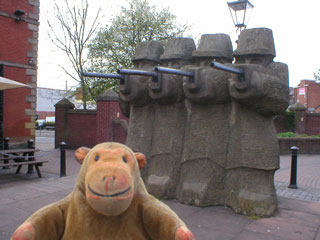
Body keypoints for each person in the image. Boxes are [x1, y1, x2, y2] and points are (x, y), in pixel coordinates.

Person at [225, 28, 289, 216]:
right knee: (236, 169)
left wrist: (259, 82)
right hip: (236, 131)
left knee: (259, 165)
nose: (245, 65)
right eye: (241, 60)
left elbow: (280, 101)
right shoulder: (232, 72)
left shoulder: (278, 69)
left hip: (261, 132)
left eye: (255, 60)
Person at [177, 33, 233, 206]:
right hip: (194, 133)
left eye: (210, 63)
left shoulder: (228, 76)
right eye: (198, 63)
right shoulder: (189, 77)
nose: (201, 68)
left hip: (218, 134)